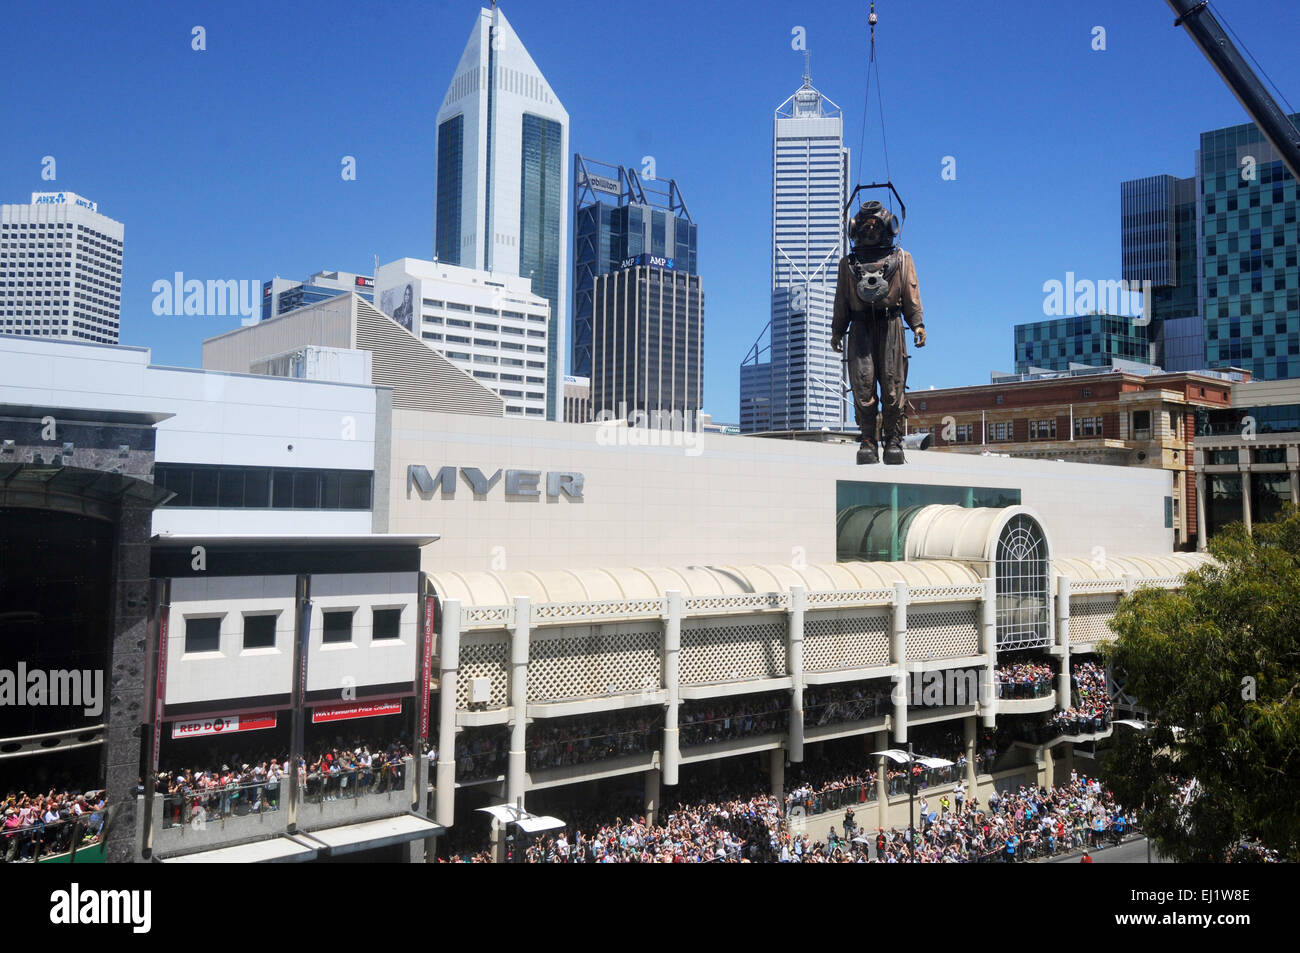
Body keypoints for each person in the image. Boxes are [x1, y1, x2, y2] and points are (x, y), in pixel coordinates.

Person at [831, 200, 926, 465]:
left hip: (891, 324)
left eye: (875, 226)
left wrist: (917, 322)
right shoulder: (847, 264)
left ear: (888, 226)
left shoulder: (902, 259)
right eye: (865, 227)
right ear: (855, 230)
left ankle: (893, 438)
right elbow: (841, 300)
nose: (870, 231)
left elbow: (911, 291)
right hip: (859, 327)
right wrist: (837, 330)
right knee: (862, 384)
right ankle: (868, 438)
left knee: (893, 383)